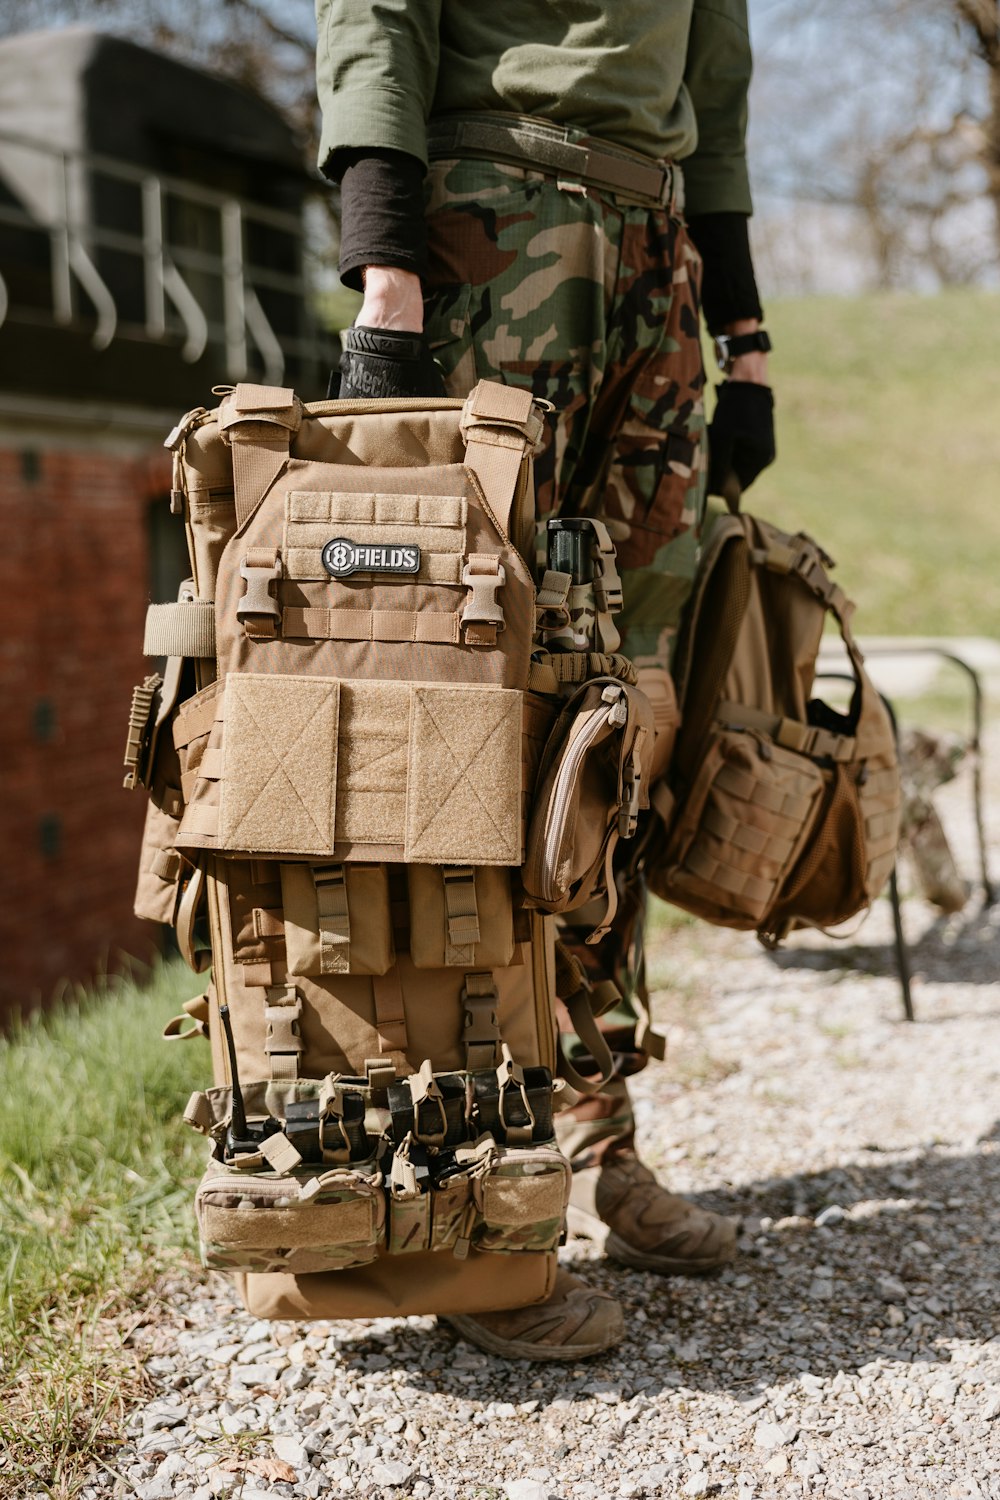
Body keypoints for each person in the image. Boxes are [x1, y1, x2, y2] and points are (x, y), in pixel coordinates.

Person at [315, 0, 776, 1360]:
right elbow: (376, 18)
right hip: (484, 225)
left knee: (623, 722)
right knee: (467, 719)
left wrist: (742, 338)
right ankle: (463, 1204)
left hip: (658, 262)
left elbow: (722, 91)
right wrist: (386, 276)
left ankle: (586, 1131)